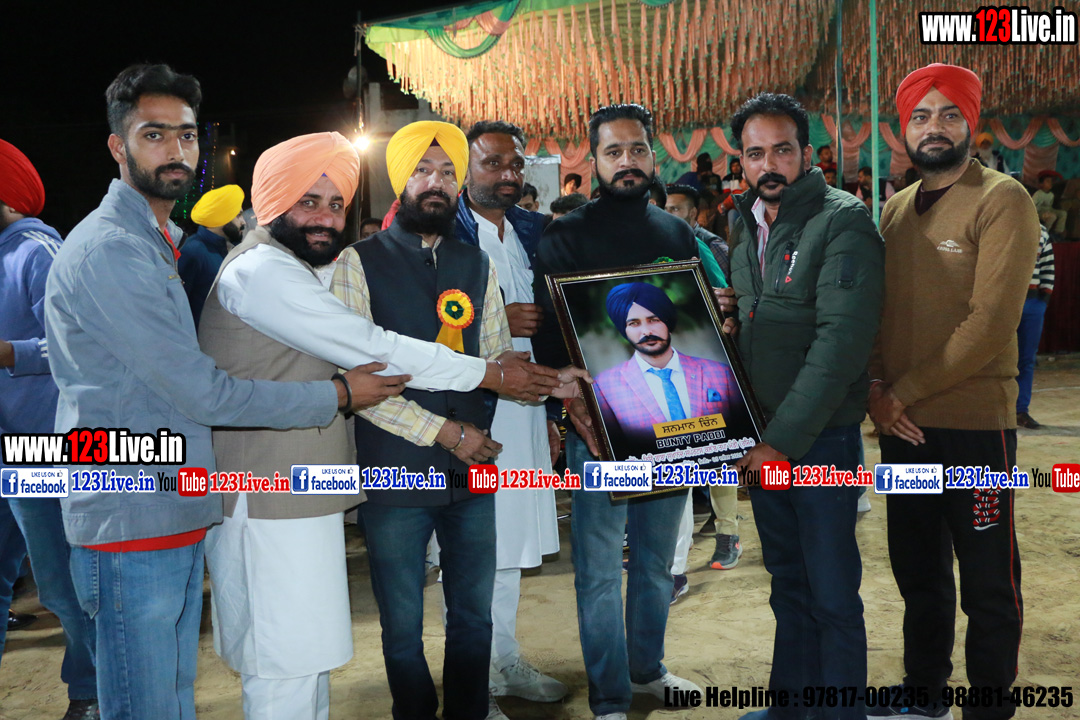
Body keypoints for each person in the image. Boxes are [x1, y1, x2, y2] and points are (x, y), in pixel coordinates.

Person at [43, 63, 403, 720]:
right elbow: (205, 394)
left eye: (186, 135)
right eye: (154, 135)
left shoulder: (153, 241)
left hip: (172, 504)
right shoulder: (112, 250)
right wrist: (336, 396)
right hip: (133, 508)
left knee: (171, 698)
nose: (176, 150)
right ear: (118, 146)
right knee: (148, 704)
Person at [198, 130, 561, 720]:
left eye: (335, 203)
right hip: (361, 477)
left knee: (313, 655)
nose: (325, 216)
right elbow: (370, 359)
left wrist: (517, 391)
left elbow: (497, 351)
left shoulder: (469, 262)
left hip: (413, 479)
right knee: (365, 634)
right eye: (308, 201)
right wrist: (461, 412)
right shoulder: (314, 266)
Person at [332, 120, 584, 720]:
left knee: (473, 617)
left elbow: (499, 363)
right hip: (396, 473)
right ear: (400, 179)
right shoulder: (357, 263)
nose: (436, 183)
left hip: (473, 472)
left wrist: (556, 385)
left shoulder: (475, 263)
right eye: (423, 170)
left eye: (447, 172)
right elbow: (359, 381)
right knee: (402, 624)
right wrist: (446, 433)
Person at [867, 63, 1036, 720]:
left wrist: (900, 392)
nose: (933, 127)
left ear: (972, 123)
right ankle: (924, 692)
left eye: (948, 114)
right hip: (903, 430)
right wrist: (877, 389)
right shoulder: (894, 208)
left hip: (974, 430)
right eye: (919, 116)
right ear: (902, 130)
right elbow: (878, 313)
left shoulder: (1002, 199)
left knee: (988, 580)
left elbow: (991, 323)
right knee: (918, 572)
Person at [715, 92, 884, 720]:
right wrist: (728, 317)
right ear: (741, 161)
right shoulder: (744, 222)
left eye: (781, 150)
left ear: (807, 153)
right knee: (788, 583)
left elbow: (840, 344)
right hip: (765, 440)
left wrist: (779, 442)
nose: (769, 165)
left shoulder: (844, 221)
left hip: (819, 441)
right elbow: (759, 318)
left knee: (833, 595)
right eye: (755, 153)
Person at [534, 103, 704, 719]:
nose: (627, 161)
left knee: (657, 561)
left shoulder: (676, 234)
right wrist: (571, 405)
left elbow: (695, 326)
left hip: (671, 422)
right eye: (613, 151)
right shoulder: (565, 235)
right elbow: (550, 336)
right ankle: (609, 697)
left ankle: (647, 669)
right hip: (598, 426)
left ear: (653, 156)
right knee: (601, 568)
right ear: (595, 160)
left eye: (637, 150)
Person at [454, 120, 569, 710]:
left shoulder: (531, 229)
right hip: (471, 411)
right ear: (465, 169)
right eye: (492, 163)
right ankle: (474, 684)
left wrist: (550, 411)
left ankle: (503, 661)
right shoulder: (444, 232)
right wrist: (496, 312)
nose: (507, 174)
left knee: (510, 546)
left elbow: (548, 322)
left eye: (515, 164)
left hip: (525, 409)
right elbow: (420, 326)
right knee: (473, 550)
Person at [0, 139, 99, 720]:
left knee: (62, 585)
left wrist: (10, 352)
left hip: (41, 447)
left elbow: (77, 342)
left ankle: (90, 694)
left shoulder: (39, 251)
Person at [178, 183, 245, 325]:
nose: (243, 222)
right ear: (221, 218)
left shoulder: (228, 248)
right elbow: (179, 306)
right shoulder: (193, 251)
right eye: (238, 215)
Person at [1016, 225, 1055, 429]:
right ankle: (994, 412)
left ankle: (1020, 410)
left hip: (1032, 303)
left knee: (1026, 359)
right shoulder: (995, 223)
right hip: (1002, 303)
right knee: (994, 359)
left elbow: (1048, 266)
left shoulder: (1041, 231)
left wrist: (1042, 301)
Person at [665, 183, 730, 284]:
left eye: (675, 209)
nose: (667, 214)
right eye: (664, 209)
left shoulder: (712, 244)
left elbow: (730, 286)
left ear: (693, 213)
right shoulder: (667, 241)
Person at [1032, 170, 1067, 236]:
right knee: (1052, 216)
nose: (1050, 183)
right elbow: (1032, 205)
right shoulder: (1038, 194)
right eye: (1048, 181)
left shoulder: (1051, 195)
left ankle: (1057, 232)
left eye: (1051, 181)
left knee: (1063, 213)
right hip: (1039, 211)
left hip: (1048, 210)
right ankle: (1044, 233)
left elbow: (1050, 206)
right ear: (1041, 184)